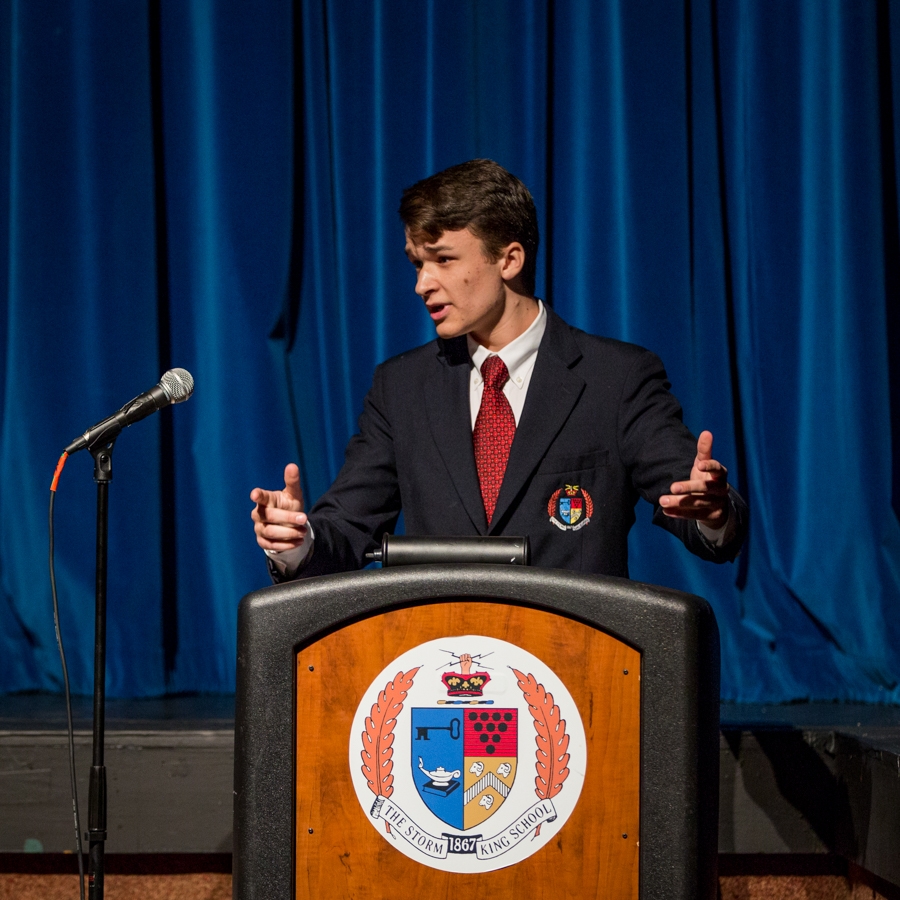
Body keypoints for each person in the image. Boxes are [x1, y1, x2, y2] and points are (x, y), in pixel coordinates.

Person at [251, 159, 747, 581]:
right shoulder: (400, 388)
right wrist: (297, 538)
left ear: (509, 259)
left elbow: (696, 507)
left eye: (443, 260)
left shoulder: (617, 379)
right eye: (416, 264)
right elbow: (348, 527)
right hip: (439, 671)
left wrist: (713, 511)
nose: (422, 284)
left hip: (573, 667)